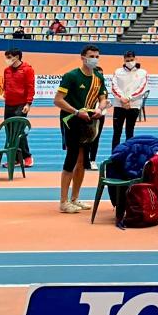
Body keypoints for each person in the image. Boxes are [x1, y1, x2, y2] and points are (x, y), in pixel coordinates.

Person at [54, 45, 107, 213]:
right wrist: (76, 112)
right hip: (72, 120)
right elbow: (58, 100)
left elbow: (103, 99)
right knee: (71, 158)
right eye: (91, 56)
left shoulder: (98, 77)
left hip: (89, 121)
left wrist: (100, 109)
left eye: (97, 56)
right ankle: (63, 201)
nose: (95, 59)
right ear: (83, 57)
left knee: (82, 161)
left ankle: (75, 198)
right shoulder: (71, 76)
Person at [2, 48, 36, 167]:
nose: (7, 60)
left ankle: (27, 156)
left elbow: (30, 87)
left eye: (9, 57)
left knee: (18, 130)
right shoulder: (6, 70)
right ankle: (15, 158)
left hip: (21, 104)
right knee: (9, 131)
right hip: (8, 104)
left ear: (16, 57)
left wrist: (28, 103)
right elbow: (5, 84)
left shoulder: (27, 69)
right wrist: (5, 93)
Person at [110, 50, 148, 148]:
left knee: (130, 132)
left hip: (134, 105)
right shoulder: (117, 72)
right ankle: (114, 157)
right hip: (119, 105)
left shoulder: (142, 73)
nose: (130, 62)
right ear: (124, 60)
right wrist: (122, 99)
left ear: (135, 59)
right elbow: (114, 87)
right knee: (117, 133)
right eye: (127, 60)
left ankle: (129, 156)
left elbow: (142, 88)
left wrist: (129, 99)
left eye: (132, 59)